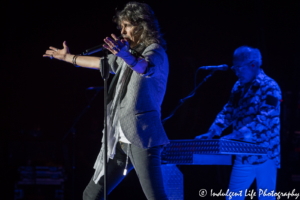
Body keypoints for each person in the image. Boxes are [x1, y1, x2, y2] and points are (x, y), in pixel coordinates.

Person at [43, 2, 169, 200]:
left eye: (127, 25)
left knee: (156, 197)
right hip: (119, 141)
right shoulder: (127, 54)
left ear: (142, 25)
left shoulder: (155, 52)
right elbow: (101, 63)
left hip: (143, 138)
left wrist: (126, 55)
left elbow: (146, 68)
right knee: (91, 195)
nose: (123, 31)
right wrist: (68, 58)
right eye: (121, 26)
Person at [195, 46, 281, 200]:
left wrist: (234, 135)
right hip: (244, 155)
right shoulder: (238, 86)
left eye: (239, 68)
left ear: (253, 65)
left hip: (265, 155)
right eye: (234, 68)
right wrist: (213, 131)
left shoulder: (271, 87)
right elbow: (228, 111)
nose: (236, 72)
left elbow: (263, 121)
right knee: (233, 198)